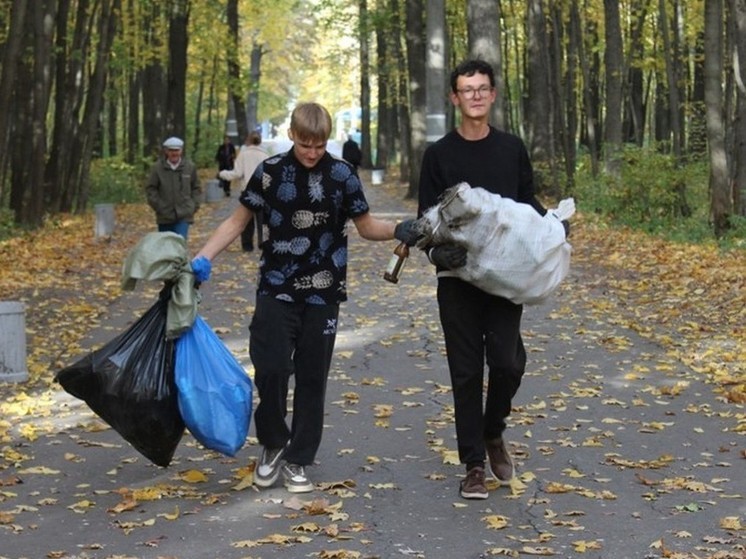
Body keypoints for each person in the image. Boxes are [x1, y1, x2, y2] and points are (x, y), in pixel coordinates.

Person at [191, 102, 420, 494]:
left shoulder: (343, 175)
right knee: (272, 369)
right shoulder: (269, 173)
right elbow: (237, 221)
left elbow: (366, 227)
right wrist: (203, 257)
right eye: (304, 144)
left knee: (313, 378)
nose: (312, 152)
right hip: (276, 288)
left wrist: (400, 228)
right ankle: (272, 445)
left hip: (324, 292)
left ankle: (298, 458)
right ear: (293, 135)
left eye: (319, 145)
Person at [417, 59, 559, 500]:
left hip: (504, 276)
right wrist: (437, 251)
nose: (475, 95)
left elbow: (524, 203)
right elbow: (425, 221)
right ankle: (474, 465)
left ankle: (493, 429)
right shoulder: (439, 155)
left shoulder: (511, 148)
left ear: (493, 94)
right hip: (457, 279)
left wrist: (551, 225)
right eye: (467, 89)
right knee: (464, 373)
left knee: (507, 363)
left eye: (482, 88)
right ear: (455, 98)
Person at [219, 132, 269, 251]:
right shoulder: (265, 155)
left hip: (247, 190)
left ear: (248, 141)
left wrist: (222, 174)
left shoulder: (243, 154)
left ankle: (247, 246)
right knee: (263, 220)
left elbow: (237, 173)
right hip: (263, 191)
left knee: (246, 221)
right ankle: (264, 244)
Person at [145, 136, 201, 240]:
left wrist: (193, 206)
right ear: (166, 151)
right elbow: (151, 188)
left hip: (184, 214)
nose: (174, 153)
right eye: (171, 150)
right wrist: (158, 206)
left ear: (181, 150)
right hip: (164, 215)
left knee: (180, 243)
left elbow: (196, 188)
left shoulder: (189, 167)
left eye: (177, 150)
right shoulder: (157, 168)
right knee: (166, 246)